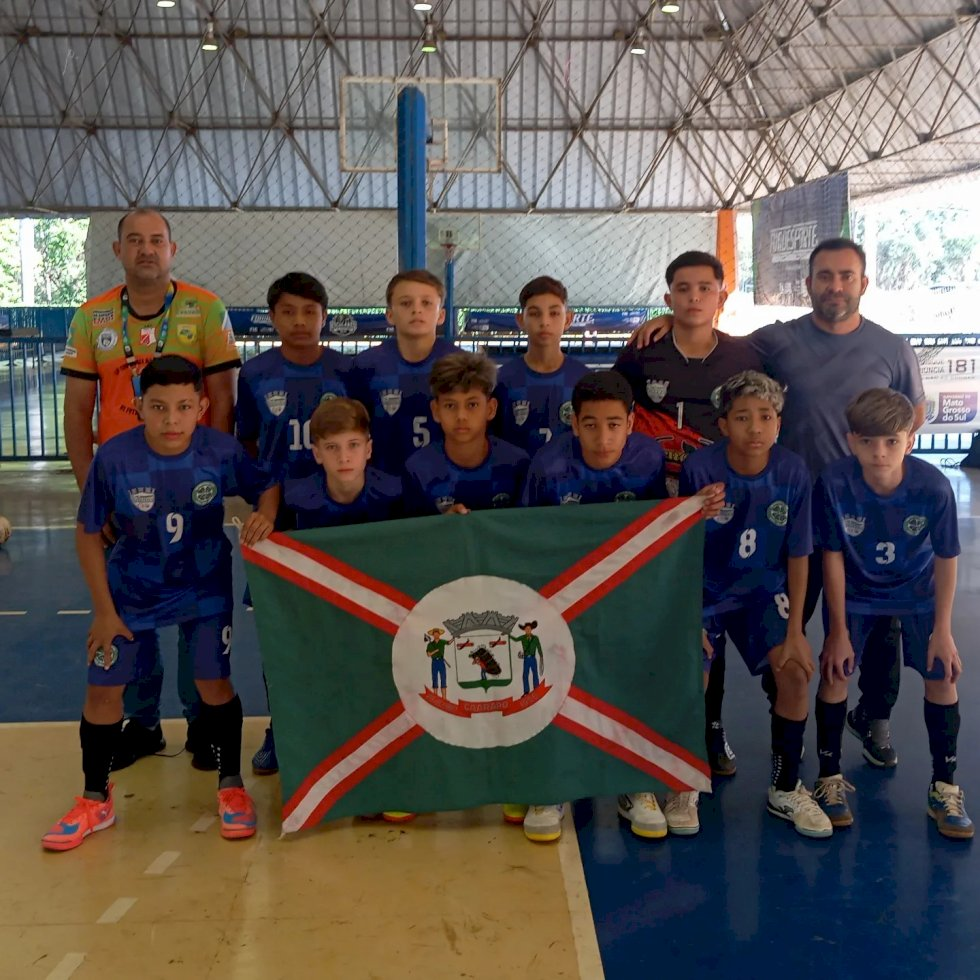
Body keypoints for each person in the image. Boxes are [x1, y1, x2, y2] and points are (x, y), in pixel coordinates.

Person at [630, 238, 926, 770]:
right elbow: (708, 331)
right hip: (785, 507)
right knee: (775, 616)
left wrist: (881, 469)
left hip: (860, 513)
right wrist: (662, 318)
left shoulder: (893, 348)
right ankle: (740, 726)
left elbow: (913, 414)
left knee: (881, 620)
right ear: (809, 283)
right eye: (824, 276)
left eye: (845, 276)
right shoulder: (774, 341)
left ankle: (874, 714)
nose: (835, 285)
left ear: (863, 283)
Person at [42, 356, 277, 851]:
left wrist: (267, 514)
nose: (172, 419)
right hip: (131, 591)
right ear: (138, 407)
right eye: (159, 407)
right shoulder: (115, 458)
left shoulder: (220, 450)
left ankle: (231, 787)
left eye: (184, 407)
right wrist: (104, 611)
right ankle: (94, 799)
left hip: (204, 586)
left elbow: (266, 484)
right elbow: (87, 535)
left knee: (213, 681)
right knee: (103, 692)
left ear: (202, 407)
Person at [61, 208, 241, 771]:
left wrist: (208, 478)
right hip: (125, 492)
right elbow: (77, 414)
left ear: (173, 249)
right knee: (128, 614)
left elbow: (222, 401)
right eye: (134, 240)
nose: (146, 249)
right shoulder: (91, 317)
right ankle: (141, 726)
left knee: (198, 614)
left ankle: (202, 727)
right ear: (117, 251)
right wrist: (94, 490)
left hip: (191, 491)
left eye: (155, 240)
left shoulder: (205, 308)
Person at [521, 370, 722, 843]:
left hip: (626, 593)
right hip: (563, 594)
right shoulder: (547, 466)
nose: (603, 436)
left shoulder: (649, 457)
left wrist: (693, 511)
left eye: (614, 424)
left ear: (632, 422)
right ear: (574, 423)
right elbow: (526, 540)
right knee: (554, 674)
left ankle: (635, 783)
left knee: (638, 675)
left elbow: (658, 535)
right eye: (591, 425)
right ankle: (552, 784)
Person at [616, 250, 762, 780]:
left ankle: (709, 726)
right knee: (651, 615)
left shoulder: (748, 355)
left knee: (709, 618)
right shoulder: (642, 353)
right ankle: (641, 723)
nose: (694, 297)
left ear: (722, 296)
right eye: (683, 288)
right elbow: (613, 408)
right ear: (667, 298)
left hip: (716, 507)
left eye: (705, 288)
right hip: (653, 505)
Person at [812, 389, 971, 839]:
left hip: (916, 593)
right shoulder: (835, 483)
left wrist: (943, 629)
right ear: (850, 441)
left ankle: (945, 786)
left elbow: (946, 558)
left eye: (891, 442)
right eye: (867, 442)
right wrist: (838, 629)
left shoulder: (932, 487)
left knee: (942, 672)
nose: (878, 453)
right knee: (835, 670)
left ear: (910, 440)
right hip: (858, 593)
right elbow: (833, 556)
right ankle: (828, 779)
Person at [680, 371, 831, 838]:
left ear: (779, 424)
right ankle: (683, 783)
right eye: (742, 417)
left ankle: (785, 788)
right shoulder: (700, 469)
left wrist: (796, 633)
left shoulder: (793, 471)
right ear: (723, 425)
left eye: (765, 417)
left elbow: (799, 553)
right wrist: (687, 618)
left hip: (764, 591)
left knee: (793, 672)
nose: (755, 428)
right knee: (692, 672)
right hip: (706, 591)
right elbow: (680, 547)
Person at [236, 272, 351, 776]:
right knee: (282, 633)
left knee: (343, 626)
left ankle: (345, 728)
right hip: (281, 525)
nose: (300, 321)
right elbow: (247, 447)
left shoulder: (350, 371)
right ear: (273, 317)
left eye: (310, 311)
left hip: (341, 522)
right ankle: (282, 729)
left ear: (324, 316)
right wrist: (262, 504)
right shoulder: (256, 374)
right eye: (289, 312)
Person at [346, 270, 462, 477]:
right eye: (406, 303)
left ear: (441, 315)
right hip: (384, 480)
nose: (417, 310)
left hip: (447, 479)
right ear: (390, 315)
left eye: (426, 303)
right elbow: (354, 429)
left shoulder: (461, 364)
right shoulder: (366, 365)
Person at [404, 352, 529, 517]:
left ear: (490, 409)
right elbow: (411, 536)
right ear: (436, 411)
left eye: (472, 404)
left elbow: (526, 531)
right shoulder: (418, 470)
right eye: (450, 405)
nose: (461, 416)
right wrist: (440, 526)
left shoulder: (517, 465)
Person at [492, 276, 588, 455]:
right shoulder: (502, 380)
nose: (544, 322)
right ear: (521, 320)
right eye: (535, 314)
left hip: (568, 480)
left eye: (554, 313)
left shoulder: (584, 380)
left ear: (568, 319)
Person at [284, 398, 402, 531]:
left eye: (353, 445)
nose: (343, 458)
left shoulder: (394, 494)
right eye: (332, 447)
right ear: (317, 454)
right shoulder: (295, 500)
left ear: (368, 450)